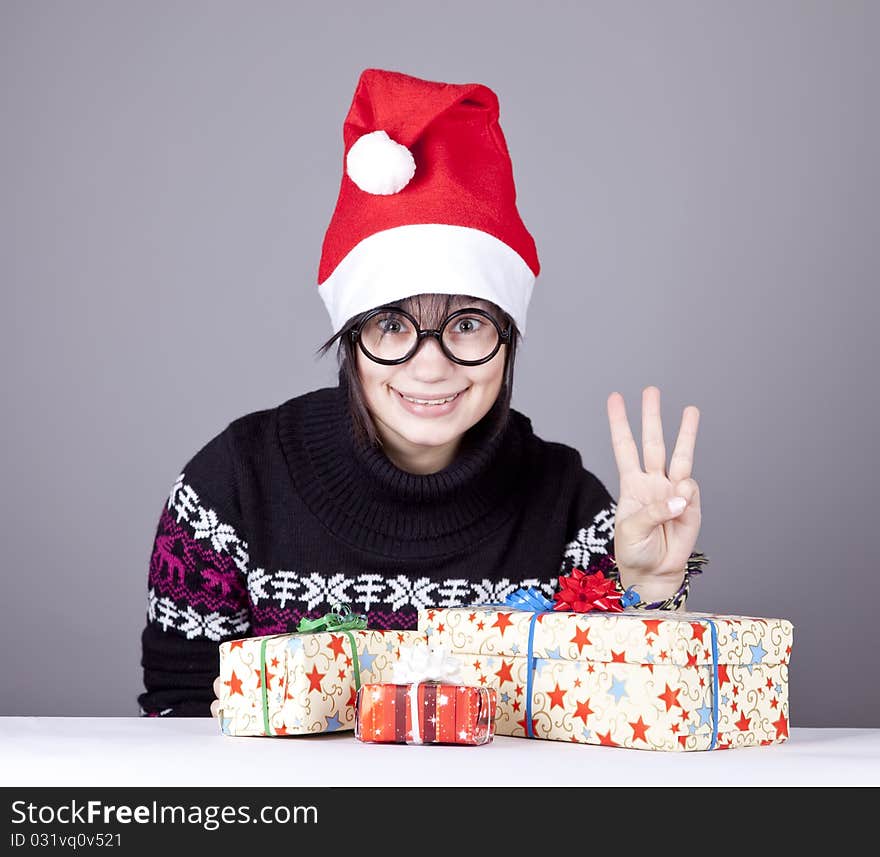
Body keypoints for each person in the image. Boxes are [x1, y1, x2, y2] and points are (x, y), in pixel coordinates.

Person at [137, 68, 707, 718]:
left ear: (508, 336)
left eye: (466, 324)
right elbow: (174, 726)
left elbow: (629, 726)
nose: (430, 366)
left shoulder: (572, 512)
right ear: (350, 336)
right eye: (391, 324)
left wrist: (651, 591)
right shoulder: (229, 491)